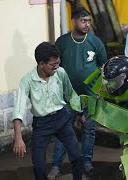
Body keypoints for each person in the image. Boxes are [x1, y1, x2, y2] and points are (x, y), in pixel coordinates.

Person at [48, 6, 107, 179]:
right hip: (67, 97)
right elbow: (55, 67)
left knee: (89, 130)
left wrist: (100, 92)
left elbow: (104, 67)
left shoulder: (96, 42)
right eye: (83, 21)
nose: (87, 24)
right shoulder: (62, 42)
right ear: (73, 21)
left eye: (88, 21)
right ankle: (57, 166)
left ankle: (86, 163)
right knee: (64, 130)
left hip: (91, 97)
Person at [12, 42, 82, 180]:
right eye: (52, 64)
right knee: (38, 166)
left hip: (62, 118)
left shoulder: (60, 72)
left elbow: (70, 94)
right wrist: (18, 138)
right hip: (42, 124)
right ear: (41, 63)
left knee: (77, 157)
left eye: (58, 62)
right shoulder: (27, 81)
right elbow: (18, 110)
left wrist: (80, 112)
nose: (56, 66)